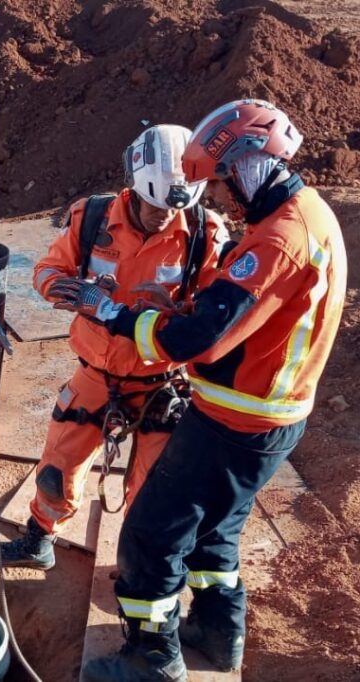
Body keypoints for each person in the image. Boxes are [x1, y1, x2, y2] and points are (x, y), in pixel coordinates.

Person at [73, 100, 347, 681]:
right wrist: (190, 308)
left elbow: (194, 341)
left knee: (154, 532)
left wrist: (117, 314)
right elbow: (247, 315)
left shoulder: (277, 242)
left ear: (252, 165)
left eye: (222, 182)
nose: (220, 198)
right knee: (216, 529)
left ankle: (152, 658)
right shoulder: (309, 213)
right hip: (269, 416)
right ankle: (220, 635)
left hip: (235, 422)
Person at [0, 125, 227, 571]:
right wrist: (73, 292)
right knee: (59, 468)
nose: (162, 216)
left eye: (172, 207)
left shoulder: (204, 233)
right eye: (154, 205)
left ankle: (139, 571)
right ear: (135, 188)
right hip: (97, 373)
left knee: (154, 489)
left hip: (162, 381)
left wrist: (176, 309)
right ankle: (41, 538)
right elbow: (45, 270)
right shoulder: (92, 218)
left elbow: (217, 311)